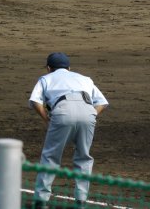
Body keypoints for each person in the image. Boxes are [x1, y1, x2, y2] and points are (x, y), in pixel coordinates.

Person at [30, 52, 109, 209]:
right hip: (88, 111)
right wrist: (91, 115)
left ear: (48, 68)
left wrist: (46, 118)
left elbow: (35, 101)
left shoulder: (46, 78)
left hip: (62, 111)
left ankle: (41, 200)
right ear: (69, 67)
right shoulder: (85, 79)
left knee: (50, 156)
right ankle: (81, 201)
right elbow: (103, 102)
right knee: (83, 157)